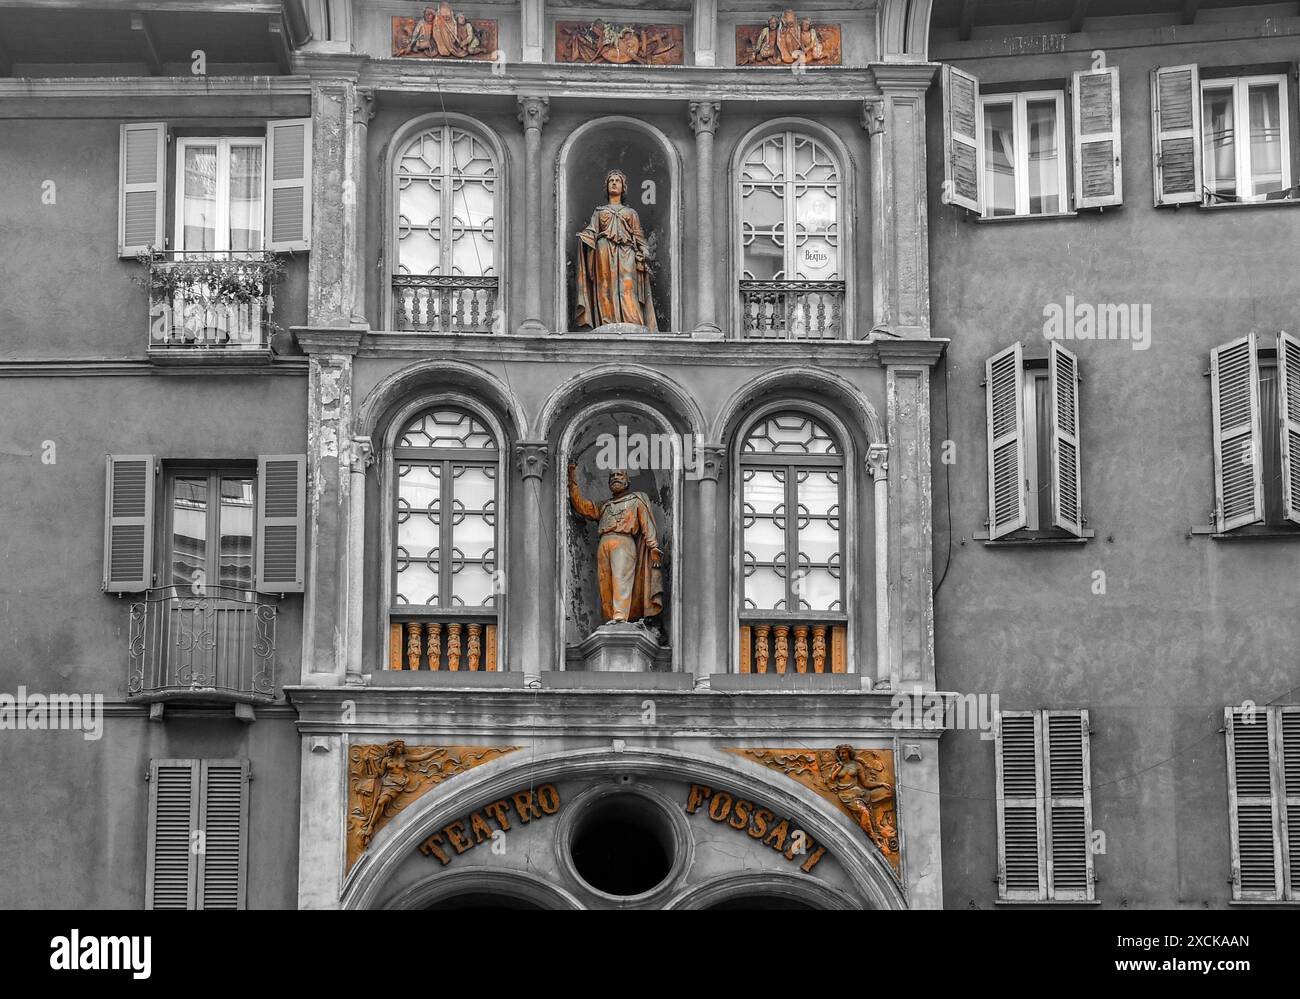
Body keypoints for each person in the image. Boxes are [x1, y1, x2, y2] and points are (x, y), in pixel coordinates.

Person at [568, 465, 664, 624]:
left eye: (619, 475)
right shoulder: (604, 505)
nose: (615, 478)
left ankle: (620, 618)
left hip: (624, 542)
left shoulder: (635, 500)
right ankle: (610, 619)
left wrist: (653, 547)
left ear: (627, 481)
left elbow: (647, 525)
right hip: (604, 542)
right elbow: (581, 506)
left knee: (621, 580)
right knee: (605, 584)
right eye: (612, 476)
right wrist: (572, 477)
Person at [574, 170, 659, 331]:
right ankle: (607, 322)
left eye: (617, 181)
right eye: (610, 181)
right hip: (603, 250)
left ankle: (632, 320)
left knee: (628, 286)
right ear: (606, 187)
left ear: (623, 187)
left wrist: (645, 252)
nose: (613, 183)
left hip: (627, 252)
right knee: (605, 285)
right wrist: (584, 238)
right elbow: (592, 231)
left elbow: (639, 236)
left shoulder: (631, 213)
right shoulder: (599, 212)